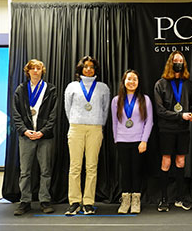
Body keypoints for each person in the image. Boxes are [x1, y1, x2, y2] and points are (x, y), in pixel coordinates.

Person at [64, 56, 110, 215]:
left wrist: (97, 123)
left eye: (91, 67)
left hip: (95, 128)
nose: (88, 69)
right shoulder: (72, 86)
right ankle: (75, 201)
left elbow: (105, 110)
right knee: (75, 167)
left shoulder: (103, 88)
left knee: (91, 166)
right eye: (85, 67)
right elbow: (67, 109)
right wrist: (77, 121)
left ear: (95, 69)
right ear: (80, 69)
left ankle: (89, 202)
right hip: (76, 128)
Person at [12, 59, 57, 215]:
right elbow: (16, 113)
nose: (36, 71)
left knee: (45, 170)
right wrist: (24, 130)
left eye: (38, 68)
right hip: (26, 136)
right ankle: (25, 201)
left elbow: (53, 114)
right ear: (28, 71)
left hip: (45, 136)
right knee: (25, 171)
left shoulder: (50, 89)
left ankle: (44, 200)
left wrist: (43, 131)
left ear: (42, 70)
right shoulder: (21, 89)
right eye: (33, 68)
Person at [154, 51, 192, 212]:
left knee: (180, 162)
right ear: (170, 63)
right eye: (175, 60)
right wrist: (181, 115)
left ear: (184, 64)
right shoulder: (161, 83)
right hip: (166, 129)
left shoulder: (189, 84)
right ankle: (163, 199)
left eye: (180, 60)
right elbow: (160, 111)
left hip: (183, 130)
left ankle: (180, 198)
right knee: (166, 162)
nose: (178, 62)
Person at [111, 70, 153, 214]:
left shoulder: (145, 99)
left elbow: (149, 122)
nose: (132, 82)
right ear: (124, 81)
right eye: (129, 79)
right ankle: (125, 200)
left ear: (138, 82)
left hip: (138, 141)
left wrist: (144, 140)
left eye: (135, 79)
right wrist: (116, 139)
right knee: (125, 172)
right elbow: (114, 122)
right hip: (122, 140)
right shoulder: (116, 100)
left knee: (136, 171)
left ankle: (135, 200)